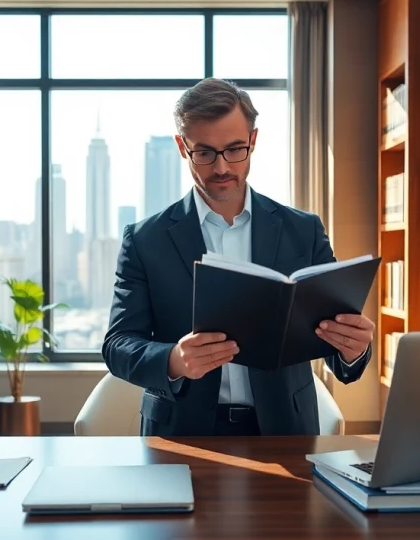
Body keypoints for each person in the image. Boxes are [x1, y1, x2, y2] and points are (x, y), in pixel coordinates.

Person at [102, 77, 374, 437]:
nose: (221, 168)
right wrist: (174, 360)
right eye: (204, 152)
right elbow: (118, 344)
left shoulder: (303, 231)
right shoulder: (144, 240)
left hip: (285, 433)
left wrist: (352, 349)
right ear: (182, 147)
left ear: (254, 141)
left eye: (234, 149)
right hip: (181, 434)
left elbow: (335, 345)